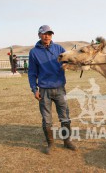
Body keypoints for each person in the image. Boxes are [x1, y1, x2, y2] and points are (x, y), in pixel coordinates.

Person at [28, 25, 76, 154]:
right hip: (44, 90)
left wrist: (67, 64)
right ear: (39, 35)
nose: (47, 36)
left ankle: (67, 141)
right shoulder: (34, 52)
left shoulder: (59, 48)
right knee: (47, 119)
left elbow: (68, 60)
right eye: (44, 33)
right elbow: (32, 73)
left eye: (49, 33)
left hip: (60, 88)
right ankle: (51, 144)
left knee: (65, 116)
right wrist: (34, 89)